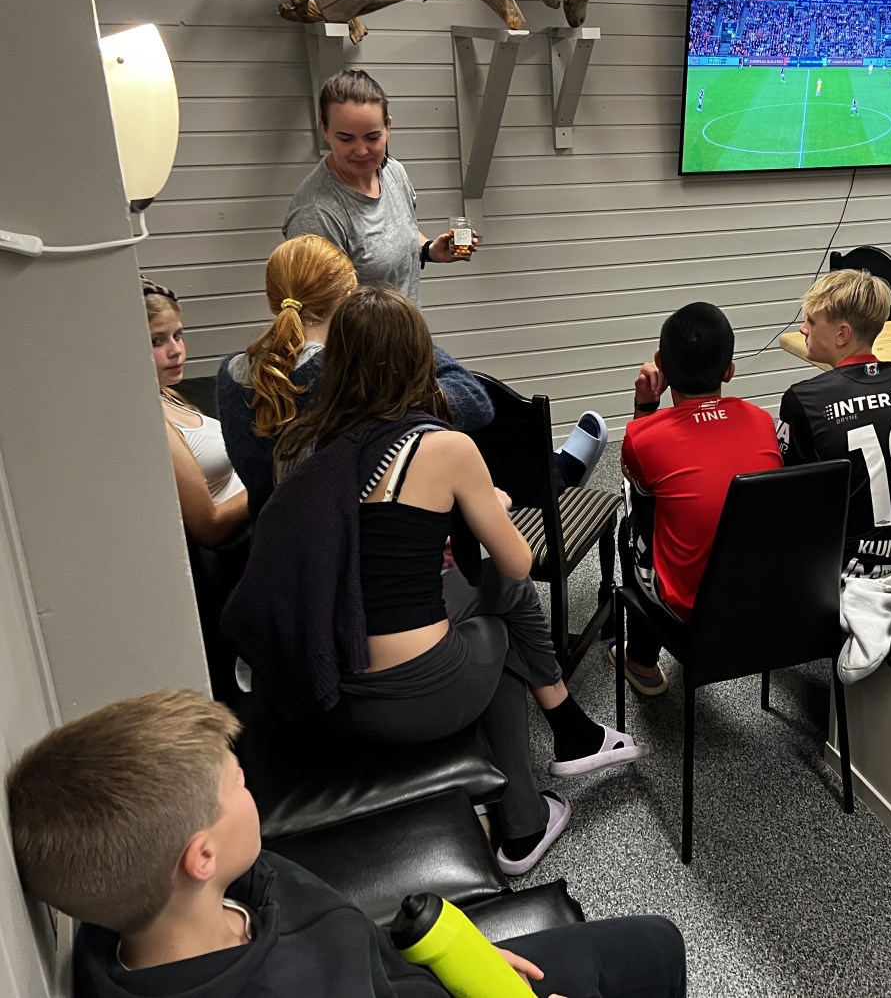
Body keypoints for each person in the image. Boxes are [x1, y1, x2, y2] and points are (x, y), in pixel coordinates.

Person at [222, 288, 645, 876]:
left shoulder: (300, 443)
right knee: (500, 618)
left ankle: (562, 755)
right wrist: (490, 503)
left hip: (323, 685)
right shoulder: (444, 446)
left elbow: (347, 544)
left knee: (490, 596)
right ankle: (531, 808)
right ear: (422, 362)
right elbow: (520, 561)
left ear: (335, 363)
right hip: (409, 702)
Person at [6, 689, 688, 998]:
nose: (251, 789)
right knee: (654, 953)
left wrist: (459, 962)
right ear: (199, 856)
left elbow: (346, 942)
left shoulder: (145, 911)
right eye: (238, 784)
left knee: (653, 942)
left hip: (422, 974)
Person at [218, 236, 606, 522]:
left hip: (275, 550)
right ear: (350, 296)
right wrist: (407, 337)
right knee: (453, 439)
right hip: (358, 554)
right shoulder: (354, 375)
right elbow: (474, 402)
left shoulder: (230, 373)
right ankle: (552, 476)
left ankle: (552, 471)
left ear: (272, 300)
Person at [612, 303, 782, 695]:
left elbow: (635, 479)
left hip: (692, 611)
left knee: (631, 521)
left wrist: (645, 407)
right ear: (729, 371)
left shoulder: (644, 436)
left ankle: (641, 662)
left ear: (660, 364)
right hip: (766, 602)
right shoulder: (762, 422)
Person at [778, 270, 891, 577]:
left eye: (811, 321)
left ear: (842, 334)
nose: (802, 329)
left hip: (846, 578)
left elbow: (789, 504)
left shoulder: (804, 399)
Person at [283, 69, 472, 307]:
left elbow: (400, 232)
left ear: (388, 127)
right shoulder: (316, 213)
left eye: (372, 137)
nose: (362, 151)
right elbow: (317, 316)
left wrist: (429, 249)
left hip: (405, 328)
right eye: (346, 138)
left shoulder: (393, 172)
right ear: (325, 131)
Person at [143, 277, 249, 547]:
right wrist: (274, 478)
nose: (175, 350)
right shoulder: (152, 421)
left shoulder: (166, 394)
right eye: (156, 341)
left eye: (177, 336)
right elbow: (209, 527)